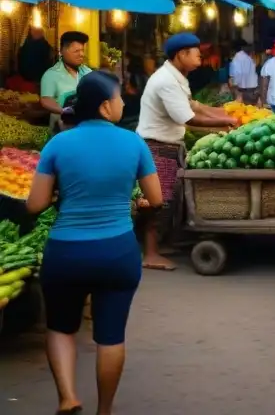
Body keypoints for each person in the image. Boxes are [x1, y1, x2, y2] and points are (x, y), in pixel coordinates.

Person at [26, 71, 163, 415]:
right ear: (105, 107)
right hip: (117, 252)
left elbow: (35, 205)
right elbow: (156, 199)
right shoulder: (134, 143)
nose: (122, 103)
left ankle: (68, 397)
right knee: (111, 336)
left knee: (60, 328)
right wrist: (134, 204)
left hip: (66, 252)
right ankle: (105, 410)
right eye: (118, 98)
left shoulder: (58, 143)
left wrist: (60, 191)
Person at [137, 33, 237, 271]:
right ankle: (150, 253)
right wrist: (228, 124)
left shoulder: (177, 77)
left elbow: (194, 105)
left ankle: (162, 244)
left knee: (170, 199)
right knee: (156, 201)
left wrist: (226, 114)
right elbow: (189, 118)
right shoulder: (166, 81)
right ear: (181, 55)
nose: (200, 58)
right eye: (196, 54)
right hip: (156, 147)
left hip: (168, 146)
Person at [40, 32, 92, 132]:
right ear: (62, 51)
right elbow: (46, 100)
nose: (81, 54)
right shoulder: (51, 75)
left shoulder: (88, 72)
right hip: (61, 130)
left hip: (86, 129)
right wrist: (63, 110)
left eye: (82, 50)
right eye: (76, 51)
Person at [228, 39, 260, 105]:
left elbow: (236, 75)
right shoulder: (249, 57)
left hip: (242, 90)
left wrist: (235, 86)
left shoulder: (237, 58)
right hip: (252, 89)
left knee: (242, 110)